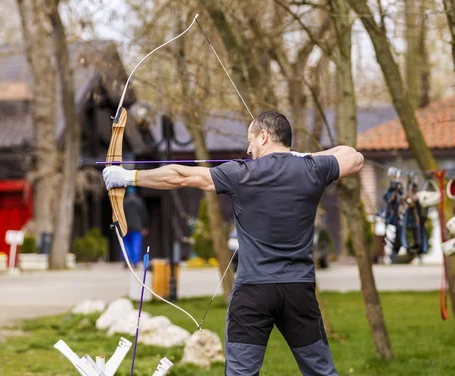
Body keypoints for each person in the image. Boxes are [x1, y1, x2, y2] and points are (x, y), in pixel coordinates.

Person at [103, 111, 364, 375]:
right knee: (321, 371)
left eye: (251, 140)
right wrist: (301, 157)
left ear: (264, 136)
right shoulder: (312, 169)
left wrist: (128, 178)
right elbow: (354, 156)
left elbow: (181, 176)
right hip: (299, 290)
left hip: (253, 293)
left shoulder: (242, 173)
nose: (249, 149)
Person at [122, 186, 149, 267]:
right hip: (137, 226)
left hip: (125, 226)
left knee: (125, 244)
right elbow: (144, 215)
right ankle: (135, 262)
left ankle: (126, 260)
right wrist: (145, 226)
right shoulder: (139, 202)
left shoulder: (124, 202)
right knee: (136, 244)